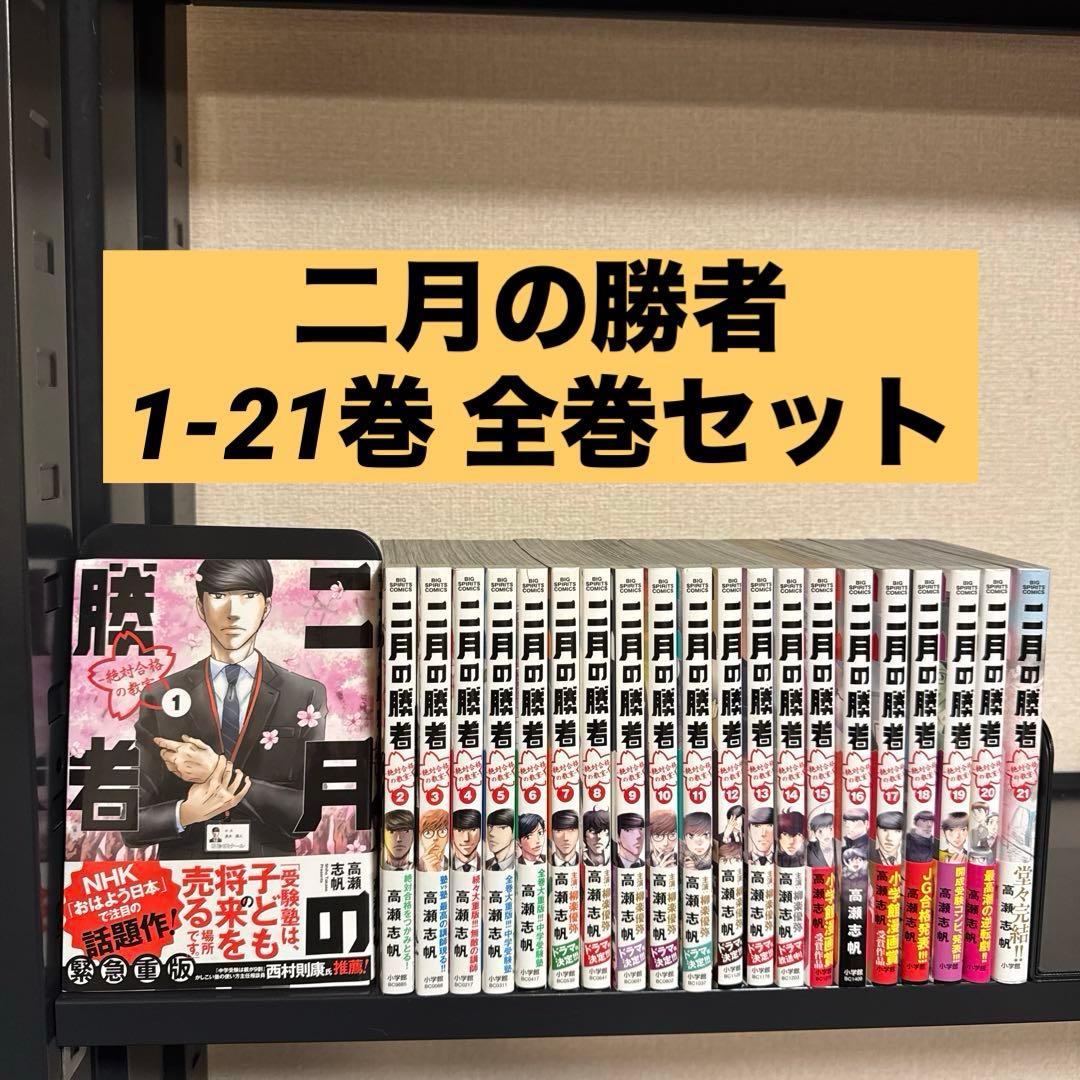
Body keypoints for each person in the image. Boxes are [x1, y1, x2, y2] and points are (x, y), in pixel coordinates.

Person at [127, 558, 328, 858]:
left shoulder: (304, 694)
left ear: (266, 607)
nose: (233, 612)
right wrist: (185, 813)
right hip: (185, 872)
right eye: (219, 596)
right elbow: (131, 823)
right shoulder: (161, 694)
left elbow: (307, 814)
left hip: (270, 871)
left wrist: (215, 772)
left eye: (248, 596)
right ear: (200, 606)